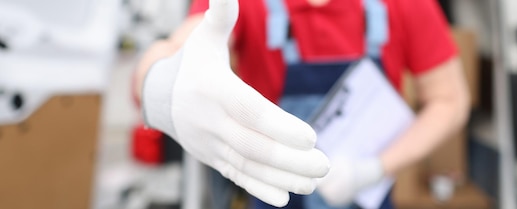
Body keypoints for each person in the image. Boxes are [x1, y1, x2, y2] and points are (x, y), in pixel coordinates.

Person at [134, 0, 470, 208]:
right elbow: (173, 50)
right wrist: (163, 86)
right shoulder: (241, 3)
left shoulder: (404, 4)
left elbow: (451, 99)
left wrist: (376, 168)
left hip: (367, 195)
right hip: (274, 198)